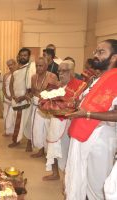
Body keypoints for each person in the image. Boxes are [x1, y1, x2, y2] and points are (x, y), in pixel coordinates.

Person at [65, 39, 117, 200]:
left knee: (97, 185)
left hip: (101, 138)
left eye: (101, 52)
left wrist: (86, 114)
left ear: (114, 57)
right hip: (84, 135)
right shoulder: (99, 78)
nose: (95, 55)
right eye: (96, 51)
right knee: (81, 178)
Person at [43, 60, 86, 181]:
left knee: (68, 150)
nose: (60, 74)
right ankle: (55, 173)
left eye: (64, 71)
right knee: (52, 146)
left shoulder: (80, 85)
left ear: (71, 71)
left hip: (69, 122)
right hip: (55, 120)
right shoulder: (57, 85)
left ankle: (68, 177)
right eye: (59, 71)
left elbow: (78, 103)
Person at [29, 57, 58, 157]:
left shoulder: (52, 76)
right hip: (36, 106)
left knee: (47, 129)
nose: (38, 67)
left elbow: (55, 92)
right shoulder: (33, 77)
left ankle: (48, 152)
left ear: (46, 66)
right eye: (37, 65)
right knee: (37, 129)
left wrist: (45, 102)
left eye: (41, 65)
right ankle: (40, 150)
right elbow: (32, 91)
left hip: (47, 107)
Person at [8, 48, 36, 149]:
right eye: (21, 55)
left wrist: (24, 96)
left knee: (26, 121)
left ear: (28, 56)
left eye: (25, 55)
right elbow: (11, 84)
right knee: (18, 120)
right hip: (16, 99)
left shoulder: (31, 68)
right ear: (19, 56)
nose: (23, 57)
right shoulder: (16, 69)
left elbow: (33, 85)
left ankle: (22, 140)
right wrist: (13, 96)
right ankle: (22, 140)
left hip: (26, 98)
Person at [2, 59, 18, 136]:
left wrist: (13, 96)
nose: (10, 67)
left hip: (15, 99)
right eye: (8, 65)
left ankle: (14, 132)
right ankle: (7, 131)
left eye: (11, 64)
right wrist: (6, 95)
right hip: (7, 98)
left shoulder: (18, 74)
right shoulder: (6, 75)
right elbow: (3, 87)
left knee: (14, 116)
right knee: (5, 115)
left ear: (15, 64)